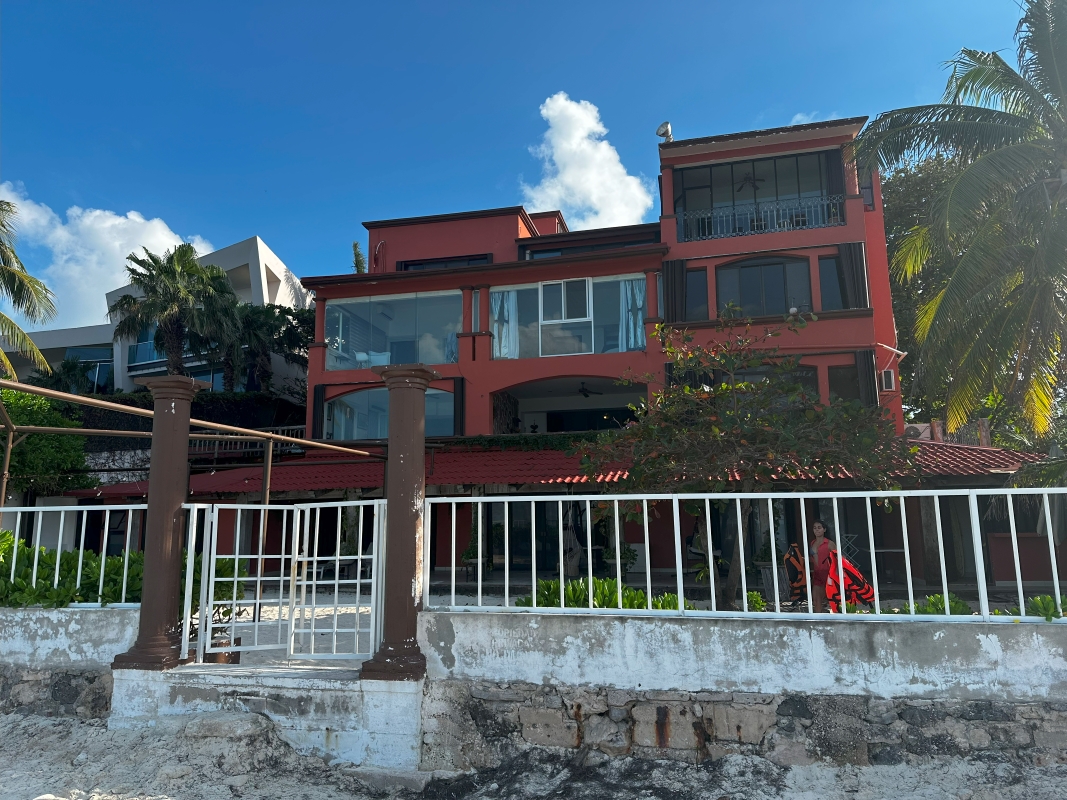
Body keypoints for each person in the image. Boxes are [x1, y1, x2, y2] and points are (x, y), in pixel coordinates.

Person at [808, 519, 836, 613]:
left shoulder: (829, 543)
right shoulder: (812, 543)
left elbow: (837, 558)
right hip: (817, 573)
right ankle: (818, 617)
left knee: (832, 597)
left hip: (828, 573)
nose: (817, 530)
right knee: (816, 598)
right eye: (815, 528)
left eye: (819, 528)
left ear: (824, 530)